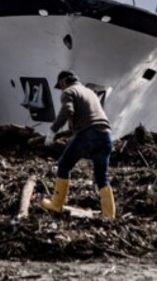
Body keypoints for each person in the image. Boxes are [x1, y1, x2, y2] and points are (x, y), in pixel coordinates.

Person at [41, 70, 116, 219]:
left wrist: (52, 130)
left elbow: (68, 110)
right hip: (106, 135)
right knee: (102, 175)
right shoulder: (90, 92)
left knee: (64, 165)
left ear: (63, 82)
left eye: (60, 86)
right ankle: (109, 214)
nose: (61, 90)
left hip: (89, 134)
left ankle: (56, 204)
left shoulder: (69, 91)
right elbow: (87, 115)